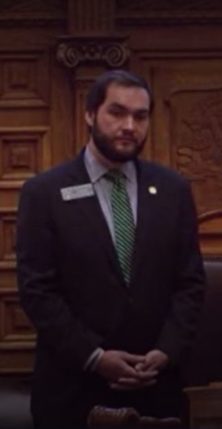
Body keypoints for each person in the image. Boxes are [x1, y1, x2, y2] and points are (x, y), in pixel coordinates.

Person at [16, 70, 205, 427]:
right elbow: (37, 291)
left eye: (140, 116)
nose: (129, 125)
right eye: (117, 113)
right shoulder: (44, 193)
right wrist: (95, 356)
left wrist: (165, 352)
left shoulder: (173, 190)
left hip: (157, 389)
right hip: (73, 390)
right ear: (90, 114)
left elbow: (190, 282)